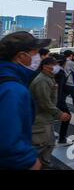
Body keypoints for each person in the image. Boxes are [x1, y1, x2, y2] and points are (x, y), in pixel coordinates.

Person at [0, 31, 51, 170]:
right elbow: (8, 141)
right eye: (36, 52)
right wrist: (29, 161)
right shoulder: (13, 89)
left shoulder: (8, 78)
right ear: (22, 56)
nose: (39, 57)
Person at [29, 57, 71, 169]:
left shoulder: (49, 78)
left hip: (46, 118)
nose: (56, 67)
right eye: (54, 64)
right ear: (46, 67)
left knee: (49, 144)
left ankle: (45, 165)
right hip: (39, 120)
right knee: (40, 146)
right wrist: (59, 114)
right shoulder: (42, 80)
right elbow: (44, 102)